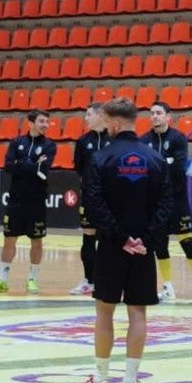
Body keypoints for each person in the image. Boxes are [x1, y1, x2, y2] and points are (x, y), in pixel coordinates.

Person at [76, 98, 173, 383]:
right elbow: (165, 203)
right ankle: (131, 382)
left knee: (104, 313)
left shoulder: (102, 158)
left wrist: (120, 239)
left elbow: (94, 203)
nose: (104, 126)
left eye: (106, 122)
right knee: (138, 313)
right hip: (143, 249)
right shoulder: (154, 159)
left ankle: (102, 379)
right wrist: (144, 239)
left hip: (110, 247)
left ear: (115, 123)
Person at [141, 101, 192, 301]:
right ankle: (168, 286)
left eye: (159, 113)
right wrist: (165, 162)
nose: (154, 116)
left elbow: (178, 169)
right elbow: (144, 169)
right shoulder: (144, 140)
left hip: (177, 199)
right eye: (152, 113)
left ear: (168, 116)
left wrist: (157, 166)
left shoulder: (178, 138)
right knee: (159, 244)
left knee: (186, 240)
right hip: (155, 202)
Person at [0, 110, 56, 294]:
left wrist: (21, 164)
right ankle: (2, 280)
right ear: (31, 123)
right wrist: (33, 165)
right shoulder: (16, 142)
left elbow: (44, 170)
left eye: (47, 122)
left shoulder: (50, 145)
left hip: (36, 201)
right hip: (16, 200)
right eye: (42, 121)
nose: (45, 125)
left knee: (37, 241)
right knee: (9, 239)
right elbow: (8, 166)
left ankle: (32, 279)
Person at [69, 102, 107, 296]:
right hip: (90, 198)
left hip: (111, 199)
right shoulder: (83, 141)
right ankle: (89, 281)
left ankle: (108, 280)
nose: (86, 118)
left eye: (89, 115)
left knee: (109, 240)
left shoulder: (113, 138)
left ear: (101, 115)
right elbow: (79, 169)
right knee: (88, 238)